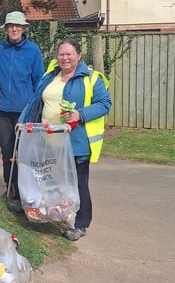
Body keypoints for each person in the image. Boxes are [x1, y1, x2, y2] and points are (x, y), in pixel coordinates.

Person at [18, 38, 112, 240]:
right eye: (61, 54)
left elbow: (105, 104)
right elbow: (35, 100)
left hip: (75, 142)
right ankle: (57, 215)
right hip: (47, 139)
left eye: (69, 54)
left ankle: (80, 223)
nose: (65, 58)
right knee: (52, 181)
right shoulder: (50, 75)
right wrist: (22, 121)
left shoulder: (91, 78)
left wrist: (80, 114)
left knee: (78, 183)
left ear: (79, 56)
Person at [0, 11, 45, 211]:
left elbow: (39, 82)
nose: (14, 29)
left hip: (24, 113)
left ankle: (27, 191)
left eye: (18, 26)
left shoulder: (33, 51)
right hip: (1, 110)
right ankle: (11, 190)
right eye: (11, 26)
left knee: (25, 154)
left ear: (24, 28)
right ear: (6, 28)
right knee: (8, 152)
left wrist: (33, 110)